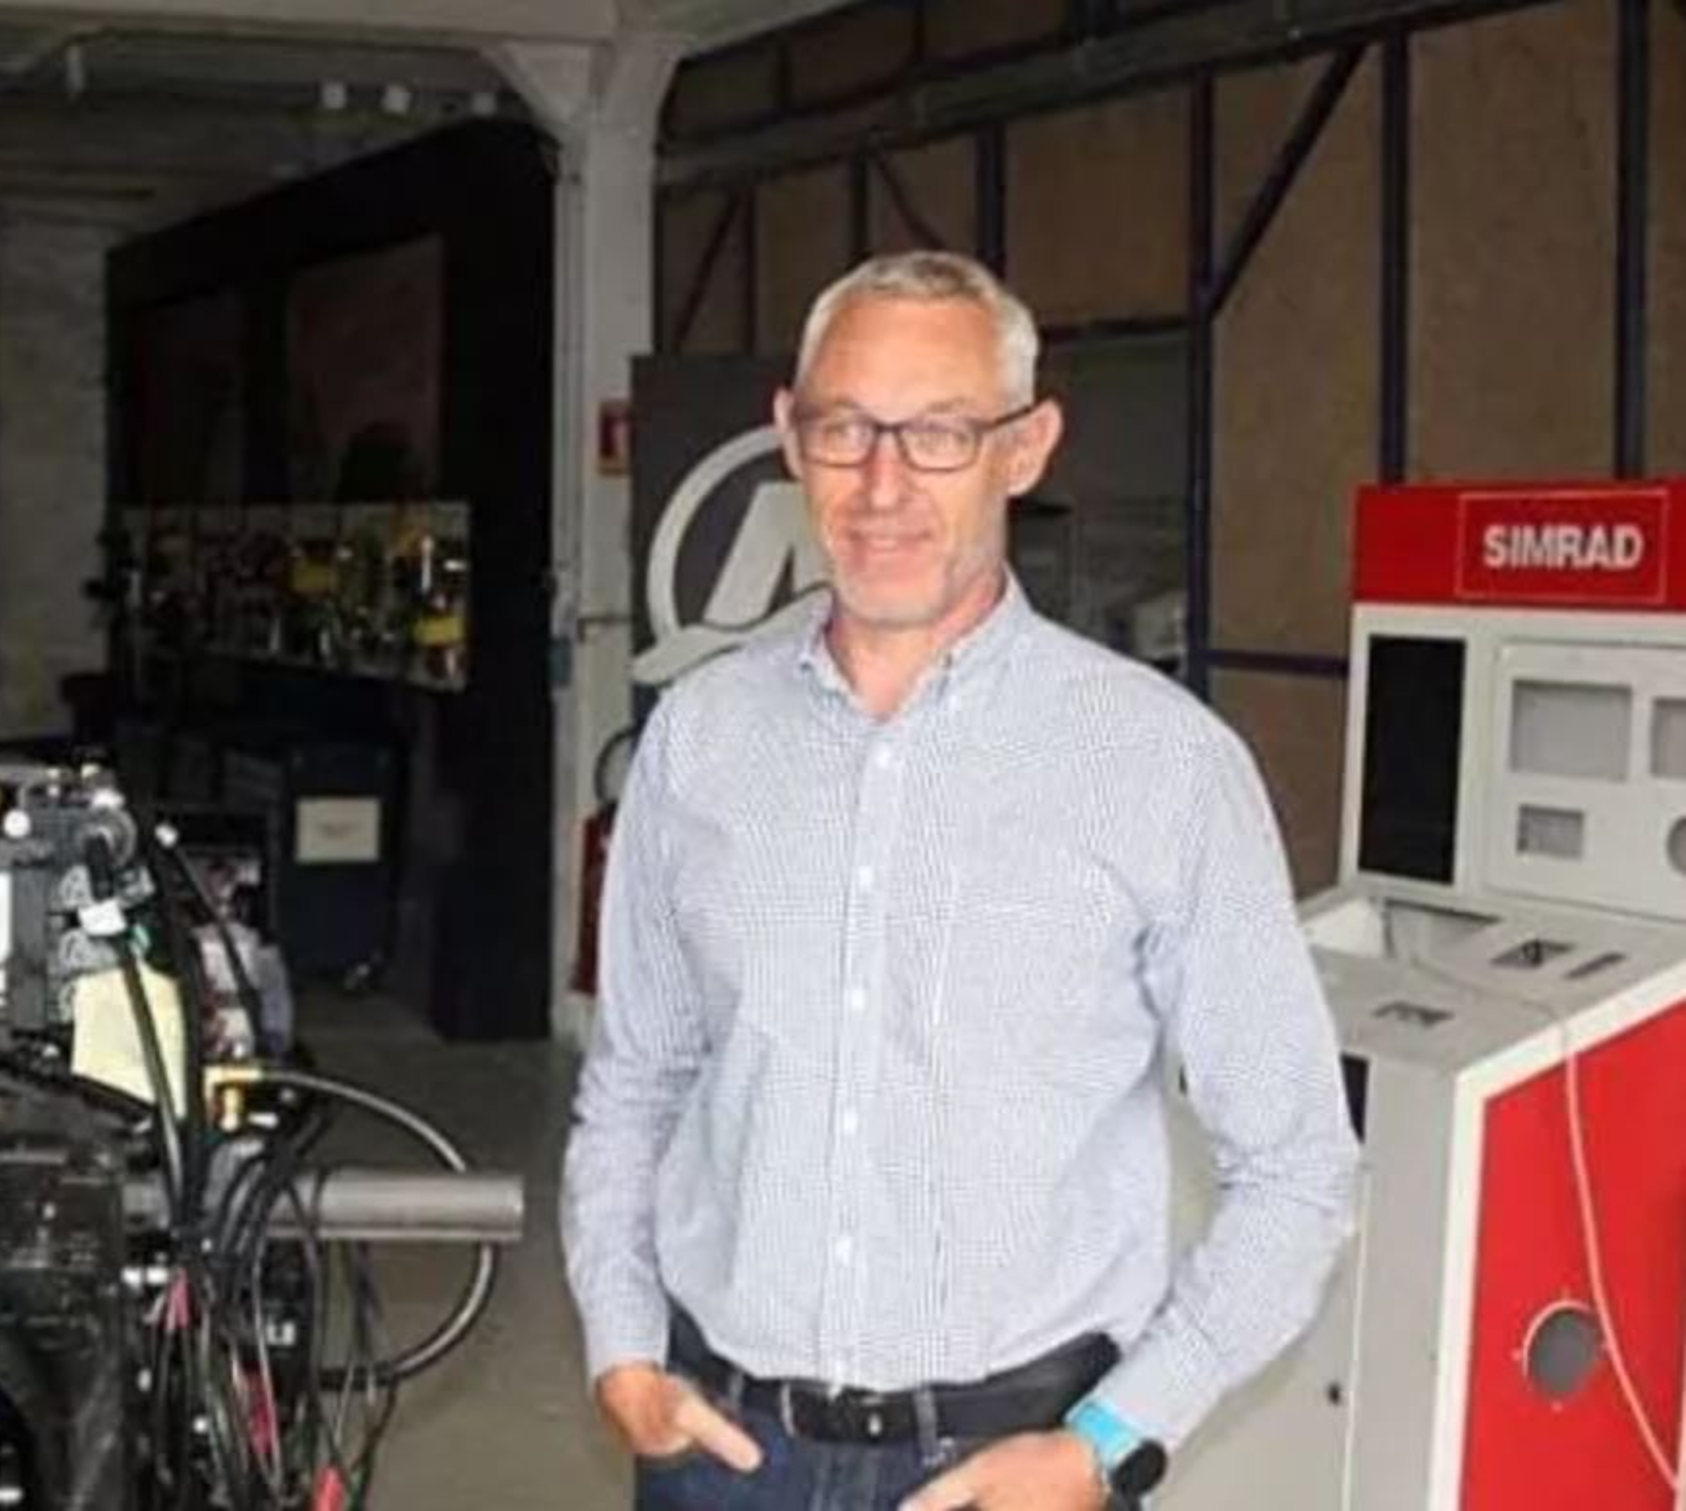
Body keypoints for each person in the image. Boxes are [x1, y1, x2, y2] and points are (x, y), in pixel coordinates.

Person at [561, 250, 1358, 1511]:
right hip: (721, 1453)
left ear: (1024, 448)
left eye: (939, 432)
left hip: (1017, 1463)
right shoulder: (699, 742)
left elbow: (1300, 1166)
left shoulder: (1161, 765)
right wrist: (622, 1347)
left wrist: (1107, 1441)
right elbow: (632, 1085)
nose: (883, 485)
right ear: (791, 435)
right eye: (846, 428)